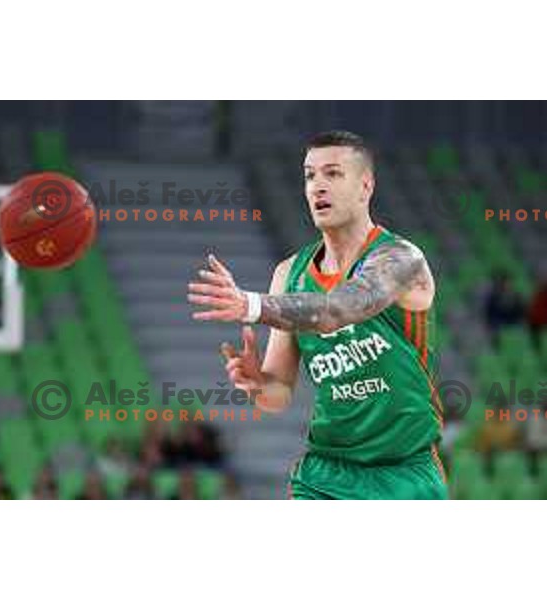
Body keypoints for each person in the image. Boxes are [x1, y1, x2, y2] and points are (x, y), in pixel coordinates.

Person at [188, 130, 447, 500]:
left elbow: (338, 309)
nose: (317, 186)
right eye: (310, 175)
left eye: (333, 174)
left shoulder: (401, 259)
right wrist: (257, 383)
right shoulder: (288, 274)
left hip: (403, 472)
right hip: (325, 471)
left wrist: (251, 305)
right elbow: (278, 393)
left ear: (365, 186)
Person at [483, 272, 525, 343]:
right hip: (498, 322)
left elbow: (521, 311)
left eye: (509, 283)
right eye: (505, 283)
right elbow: (490, 313)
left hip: (513, 321)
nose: (507, 285)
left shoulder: (517, 296)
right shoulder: (493, 297)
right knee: (494, 328)